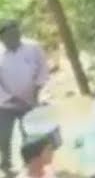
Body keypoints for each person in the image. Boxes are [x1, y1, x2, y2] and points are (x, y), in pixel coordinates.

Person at [0, 20, 49, 178]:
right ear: (2, 38)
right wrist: (10, 99)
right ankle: (6, 166)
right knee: (4, 136)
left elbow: (43, 68)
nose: (14, 37)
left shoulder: (32, 47)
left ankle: (31, 167)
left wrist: (37, 90)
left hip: (30, 100)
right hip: (6, 104)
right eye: (9, 36)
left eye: (16, 33)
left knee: (29, 134)